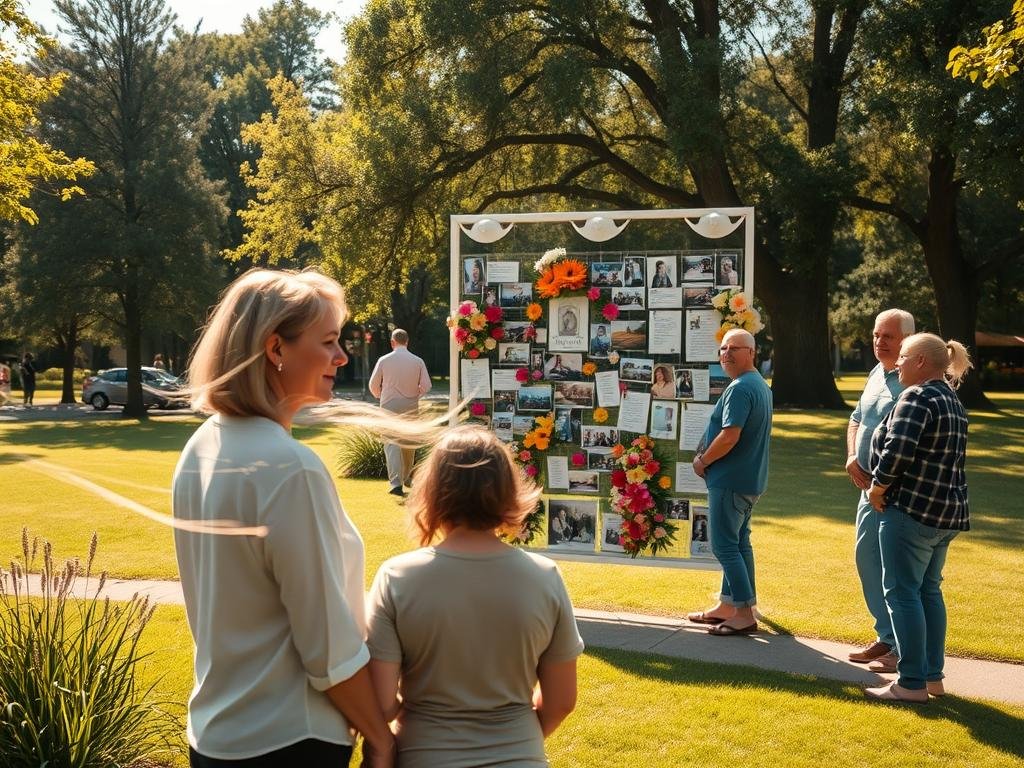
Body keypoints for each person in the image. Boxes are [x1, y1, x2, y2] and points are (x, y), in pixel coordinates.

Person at [172, 268, 399, 768]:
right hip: (289, 739)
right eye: (329, 342)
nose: (341, 357)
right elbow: (328, 648)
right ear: (276, 348)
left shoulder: (203, 444)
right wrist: (381, 737)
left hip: (215, 737)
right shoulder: (289, 468)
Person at [366, 426, 583, 766]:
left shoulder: (397, 577)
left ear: (433, 491)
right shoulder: (544, 577)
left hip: (425, 754)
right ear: (507, 490)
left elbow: (380, 700)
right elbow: (562, 700)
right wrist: (514, 743)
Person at [863, 333, 972, 703]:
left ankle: (910, 683)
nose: (897, 364)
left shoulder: (917, 395)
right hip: (943, 515)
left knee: (902, 592)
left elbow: (897, 451)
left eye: (904, 357)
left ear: (922, 362)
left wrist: (877, 489)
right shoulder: (952, 400)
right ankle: (931, 677)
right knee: (928, 591)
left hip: (910, 511)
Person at [688, 329, 772, 635]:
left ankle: (743, 613)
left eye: (734, 348)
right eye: (723, 348)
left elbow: (729, 436)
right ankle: (729, 605)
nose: (726, 353)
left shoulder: (740, 388)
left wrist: (702, 461)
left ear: (751, 353)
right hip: (749, 479)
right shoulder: (759, 385)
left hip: (730, 479)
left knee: (724, 546)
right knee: (739, 544)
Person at [844, 309, 914, 670]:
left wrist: (882, 481)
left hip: (893, 492)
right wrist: (853, 455)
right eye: (876, 334)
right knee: (866, 559)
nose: (879, 342)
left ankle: (901, 648)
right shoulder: (876, 373)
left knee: (895, 569)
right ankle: (886, 636)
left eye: (887, 336)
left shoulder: (914, 380)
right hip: (865, 486)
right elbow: (856, 418)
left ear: (906, 340)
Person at [369, 329, 432, 497]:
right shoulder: (417, 361)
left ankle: (395, 483)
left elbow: (373, 384)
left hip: (389, 404)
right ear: (407, 342)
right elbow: (427, 385)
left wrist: (379, 395)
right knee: (408, 443)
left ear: (392, 342)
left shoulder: (384, 360)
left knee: (391, 444)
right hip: (411, 404)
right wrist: (416, 393)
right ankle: (407, 478)